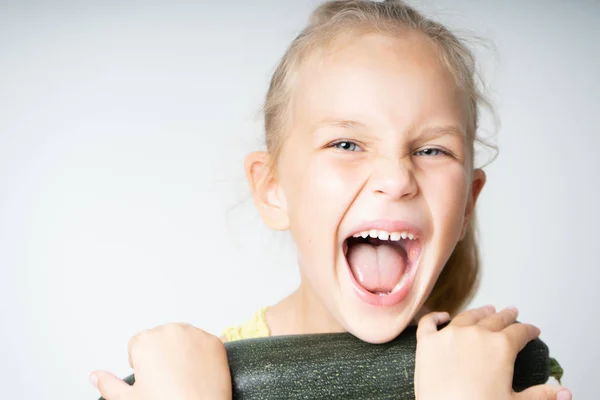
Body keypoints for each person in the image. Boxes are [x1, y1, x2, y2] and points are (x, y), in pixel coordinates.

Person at [89, 1, 572, 399]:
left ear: (467, 203)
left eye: (431, 149)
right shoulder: (182, 386)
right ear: (272, 188)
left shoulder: (503, 380)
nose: (396, 177)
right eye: (347, 144)